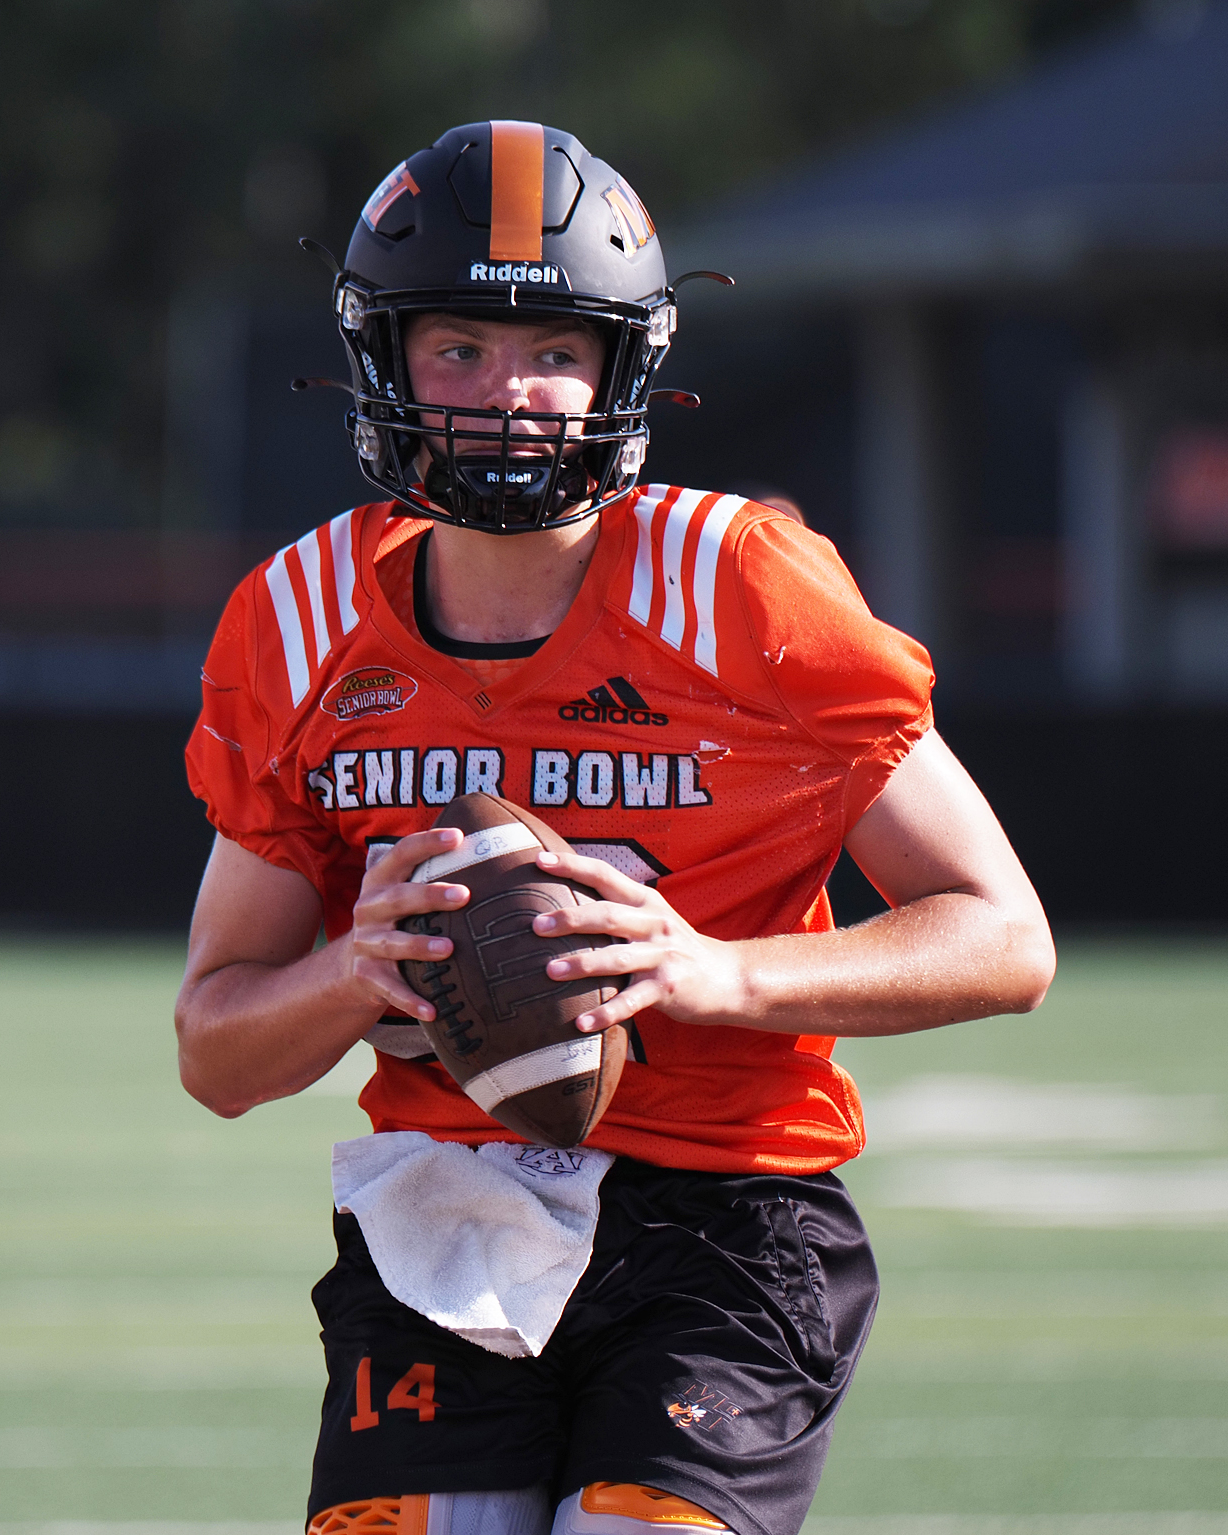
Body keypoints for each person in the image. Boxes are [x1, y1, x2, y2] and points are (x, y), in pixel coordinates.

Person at [177, 121, 1053, 1535]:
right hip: (440, 1223)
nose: (508, 395)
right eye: (457, 347)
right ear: (383, 358)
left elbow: (1005, 940)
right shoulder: (301, 622)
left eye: (554, 352)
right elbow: (215, 1051)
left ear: (621, 370)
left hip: (726, 1218)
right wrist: (354, 971)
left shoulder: (744, 590)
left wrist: (715, 971)